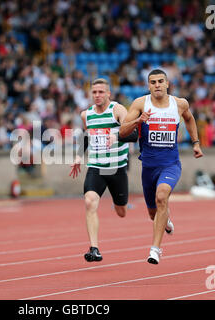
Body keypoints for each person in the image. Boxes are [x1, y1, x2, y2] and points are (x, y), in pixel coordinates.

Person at [120, 69, 203, 265]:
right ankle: (164, 219)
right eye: (153, 82)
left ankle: (155, 249)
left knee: (162, 196)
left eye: (160, 81)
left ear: (167, 84)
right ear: (148, 85)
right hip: (148, 167)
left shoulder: (180, 104)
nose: (157, 85)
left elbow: (190, 119)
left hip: (170, 165)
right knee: (153, 213)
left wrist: (196, 142)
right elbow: (123, 131)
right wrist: (138, 121)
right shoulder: (140, 104)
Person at [70, 78, 138, 262]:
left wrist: (116, 136)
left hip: (116, 168)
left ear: (109, 93)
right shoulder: (87, 115)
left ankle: (121, 204)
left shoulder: (117, 110)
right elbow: (86, 135)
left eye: (101, 92)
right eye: (94, 92)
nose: (97, 96)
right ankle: (94, 248)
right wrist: (78, 156)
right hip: (96, 167)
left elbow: (133, 134)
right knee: (89, 201)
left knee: (121, 211)